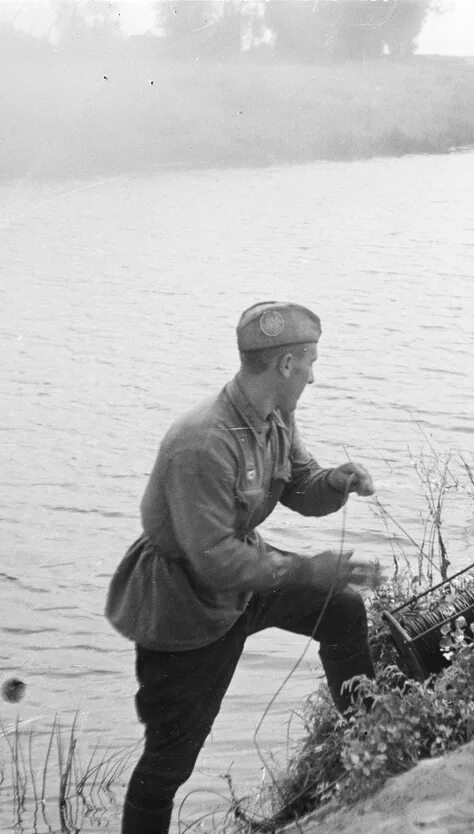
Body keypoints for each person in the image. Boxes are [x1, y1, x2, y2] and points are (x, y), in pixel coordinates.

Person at [105, 301, 383, 834]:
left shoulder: (274, 414)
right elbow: (215, 561)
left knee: (341, 611)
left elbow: (300, 484)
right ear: (285, 366)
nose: (313, 373)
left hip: (246, 579)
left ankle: (372, 755)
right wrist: (308, 569)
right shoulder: (203, 441)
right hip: (183, 611)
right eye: (310, 361)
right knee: (168, 765)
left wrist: (337, 481)